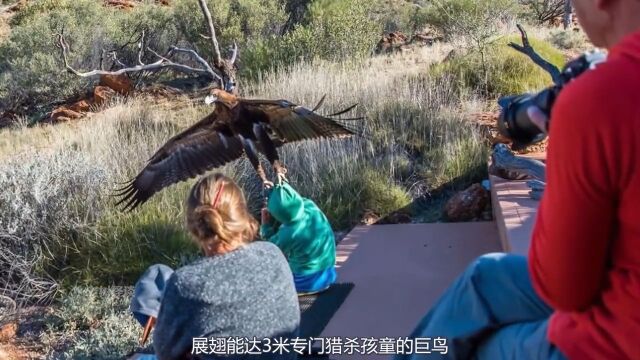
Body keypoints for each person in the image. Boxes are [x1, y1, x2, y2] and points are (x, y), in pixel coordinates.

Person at [398, 1, 640, 359]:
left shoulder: (603, 97)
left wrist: (568, 149)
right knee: (485, 277)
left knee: (482, 348)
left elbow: (562, 289)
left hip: (618, 341)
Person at [130, 173, 300, 360]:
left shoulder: (185, 283)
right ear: (242, 215)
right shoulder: (273, 253)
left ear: (193, 226)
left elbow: (165, 353)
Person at [260, 182, 337, 295]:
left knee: (266, 282)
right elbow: (290, 201)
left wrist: (265, 226)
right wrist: (279, 191)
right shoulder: (310, 205)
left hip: (306, 282)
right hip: (329, 274)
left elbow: (270, 250)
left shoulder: (289, 233)